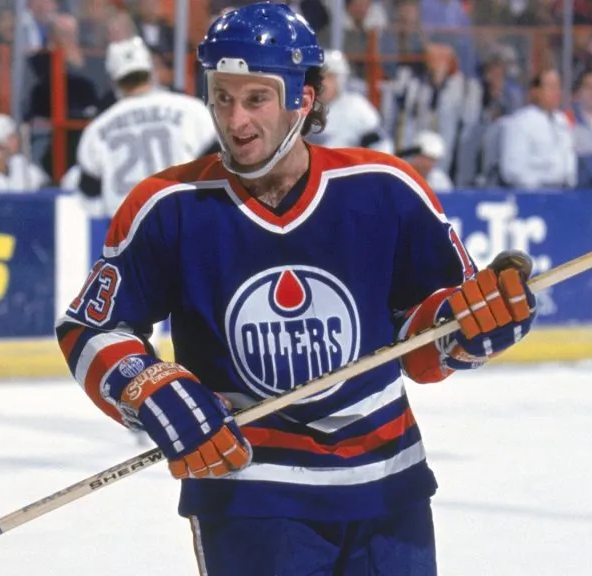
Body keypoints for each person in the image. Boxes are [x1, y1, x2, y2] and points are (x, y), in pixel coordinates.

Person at [55, 3, 536, 575]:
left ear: (302, 99)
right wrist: (146, 386)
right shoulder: (168, 206)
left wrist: (473, 327)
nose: (236, 120)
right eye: (222, 96)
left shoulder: (384, 188)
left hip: (387, 483)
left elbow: (425, 340)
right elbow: (90, 327)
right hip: (249, 492)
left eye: (256, 98)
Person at [62, 36, 217, 219]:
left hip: (127, 232)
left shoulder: (97, 129)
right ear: (151, 71)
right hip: (184, 222)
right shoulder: (191, 110)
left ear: (113, 80)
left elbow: (90, 198)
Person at [304, 49, 393, 153]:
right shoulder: (302, 107)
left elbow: (381, 145)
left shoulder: (357, 107)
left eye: (329, 77)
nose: (322, 83)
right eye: (318, 77)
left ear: (340, 79)